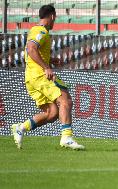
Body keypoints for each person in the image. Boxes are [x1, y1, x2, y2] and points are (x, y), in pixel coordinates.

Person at [11, 5, 84, 150]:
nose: (54, 21)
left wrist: (50, 61)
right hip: (40, 75)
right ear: (52, 16)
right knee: (66, 100)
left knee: (52, 113)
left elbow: (32, 52)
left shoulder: (34, 30)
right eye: (54, 18)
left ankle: (21, 128)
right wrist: (46, 67)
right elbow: (32, 49)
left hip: (31, 78)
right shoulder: (41, 31)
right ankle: (67, 137)